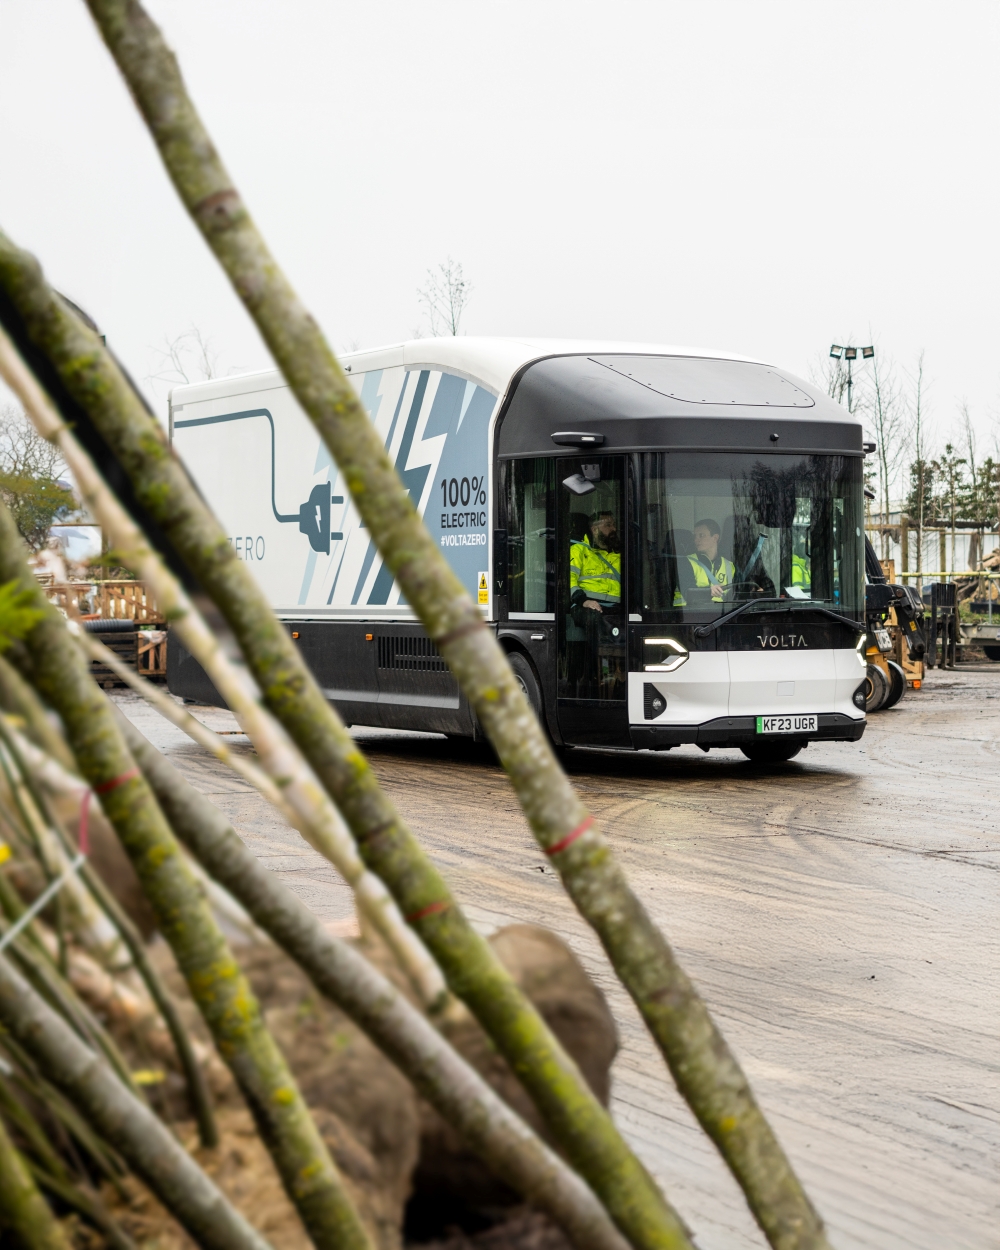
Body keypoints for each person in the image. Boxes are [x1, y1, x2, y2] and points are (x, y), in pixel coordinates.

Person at [570, 510, 621, 613]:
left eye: (614, 525)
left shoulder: (620, 553)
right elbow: (569, 580)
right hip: (588, 606)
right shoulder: (579, 550)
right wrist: (583, 601)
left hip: (618, 608)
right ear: (594, 530)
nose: (614, 529)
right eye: (608, 525)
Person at [684, 518, 735, 601]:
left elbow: (737, 592)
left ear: (715, 538)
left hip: (724, 613)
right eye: (695, 536)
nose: (696, 540)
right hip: (688, 612)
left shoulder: (729, 566)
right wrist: (709, 591)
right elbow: (687, 593)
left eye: (701, 535)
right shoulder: (686, 562)